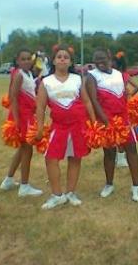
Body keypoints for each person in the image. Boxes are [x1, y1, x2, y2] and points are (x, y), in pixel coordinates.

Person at [35, 44, 96, 209]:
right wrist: (39, 128)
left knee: (75, 158)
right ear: (53, 61)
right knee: (51, 158)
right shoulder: (46, 82)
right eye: (59, 57)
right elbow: (40, 107)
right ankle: (57, 194)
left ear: (70, 62)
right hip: (59, 126)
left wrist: (93, 122)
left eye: (66, 57)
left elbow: (87, 101)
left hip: (78, 125)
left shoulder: (78, 79)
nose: (62, 59)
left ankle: (71, 192)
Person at [86, 48, 138, 202]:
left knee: (131, 149)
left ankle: (136, 187)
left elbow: (124, 93)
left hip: (123, 118)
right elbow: (93, 100)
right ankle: (109, 184)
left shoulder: (119, 74)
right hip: (106, 119)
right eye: (96, 60)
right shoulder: (92, 76)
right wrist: (105, 120)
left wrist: (129, 108)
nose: (99, 62)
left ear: (109, 57)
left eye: (102, 58)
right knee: (109, 153)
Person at [0, 49, 43, 197]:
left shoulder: (28, 73)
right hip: (22, 117)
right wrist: (17, 121)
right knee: (27, 150)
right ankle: (24, 186)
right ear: (17, 61)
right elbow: (13, 96)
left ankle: (8, 180)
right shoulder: (18, 74)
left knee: (22, 150)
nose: (26, 61)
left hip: (28, 115)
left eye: (28, 59)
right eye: (22, 59)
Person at [111, 51, 138, 168]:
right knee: (120, 131)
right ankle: (120, 157)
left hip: (120, 106)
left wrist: (128, 96)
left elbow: (137, 86)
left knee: (121, 131)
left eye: (112, 62)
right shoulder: (124, 75)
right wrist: (129, 95)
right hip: (120, 104)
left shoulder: (118, 75)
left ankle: (121, 156)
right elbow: (137, 87)